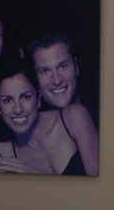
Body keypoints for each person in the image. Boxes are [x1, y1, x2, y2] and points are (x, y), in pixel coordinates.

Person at [0, 58, 88, 174]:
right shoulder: (3, 154)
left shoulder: (73, 118)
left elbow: (101, 188)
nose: (18, 109)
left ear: (38, 99)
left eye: (26, 97)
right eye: (7, 100)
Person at [27, 28, 99, 174]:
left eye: (63, 66)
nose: (57, 80)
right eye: (45, 71)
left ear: (76, 66)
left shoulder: (102, 104)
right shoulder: (33, 121)